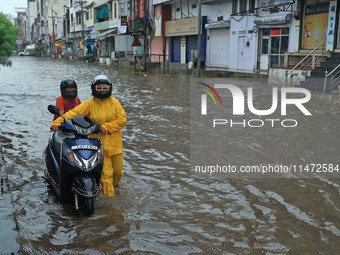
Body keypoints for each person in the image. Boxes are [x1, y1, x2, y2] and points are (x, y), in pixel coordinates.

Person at [51, 75, 127, 197]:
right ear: (94, 88)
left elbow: (122, 119)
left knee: (118, 172)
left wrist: (107, 127)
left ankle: (115, 189)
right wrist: (58, 121)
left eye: (104, 87)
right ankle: (110, 206)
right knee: (106, 176)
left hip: (115, 144)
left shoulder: (115, 103)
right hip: (98, 144)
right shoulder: (89, 104)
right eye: (99, 87)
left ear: (109, 88)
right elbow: (73, 113)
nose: (102, 90)